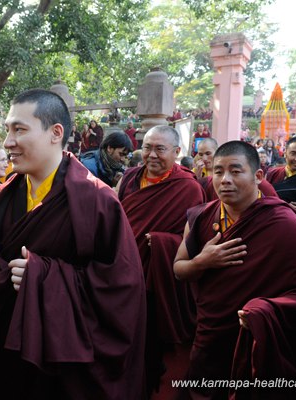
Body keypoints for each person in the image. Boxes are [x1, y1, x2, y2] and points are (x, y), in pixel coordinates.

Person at [0, 89, 146, 400]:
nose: (7, 142)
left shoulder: (95, 200)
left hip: (64, 359)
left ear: (55, 133)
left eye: (19, 129)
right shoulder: (5, 197)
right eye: (7, 130)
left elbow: (120, 289)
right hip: (5, 347)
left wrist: (43, 275)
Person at [173, 140, 296, 399]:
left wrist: (268, 310)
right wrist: (201, 262)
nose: (224, 179)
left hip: (257, 337)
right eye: (218, 171)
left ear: (258, 176)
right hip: (211, 334)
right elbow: (179, 269)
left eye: (236, 171)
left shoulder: (285, 226)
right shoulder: (201, 216)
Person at [118, 125, 205, 397]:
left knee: (152, 344)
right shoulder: (130, 177)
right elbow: (114, 220)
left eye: (160, 149)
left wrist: (161, 241)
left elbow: (192, 242)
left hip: (157, 280)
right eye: (146, 147)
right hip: (122, 274)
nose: (151, 155)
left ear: (177, 152)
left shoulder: (188, 187)